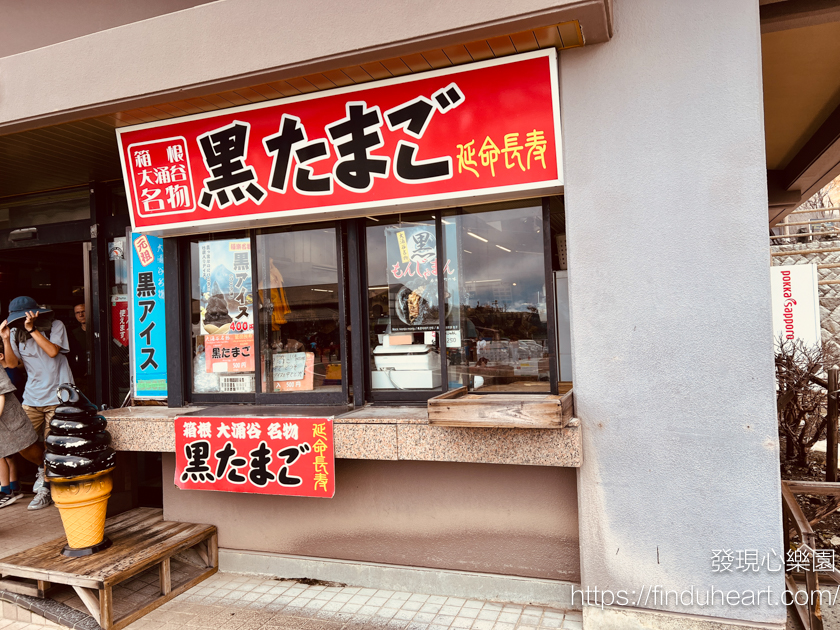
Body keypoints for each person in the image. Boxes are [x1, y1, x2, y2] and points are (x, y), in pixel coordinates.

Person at [0, 296, 75, 510]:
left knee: (52, 444)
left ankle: (46, 489)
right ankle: (45, 470)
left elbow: (52, 352)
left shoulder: (55, 326)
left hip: (59, 395)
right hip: (32, 397)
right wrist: (5, 338)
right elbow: (12, 364)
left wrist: (33, 330)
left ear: (34, 313)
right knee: (21, 443)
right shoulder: (15, 332)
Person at [0, 365, 43, 509]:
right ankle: (10, 489)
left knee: (24, 449)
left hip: (9, 419)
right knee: (5, 455)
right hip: (4, 425)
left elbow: (1, 394)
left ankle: (45, 473)